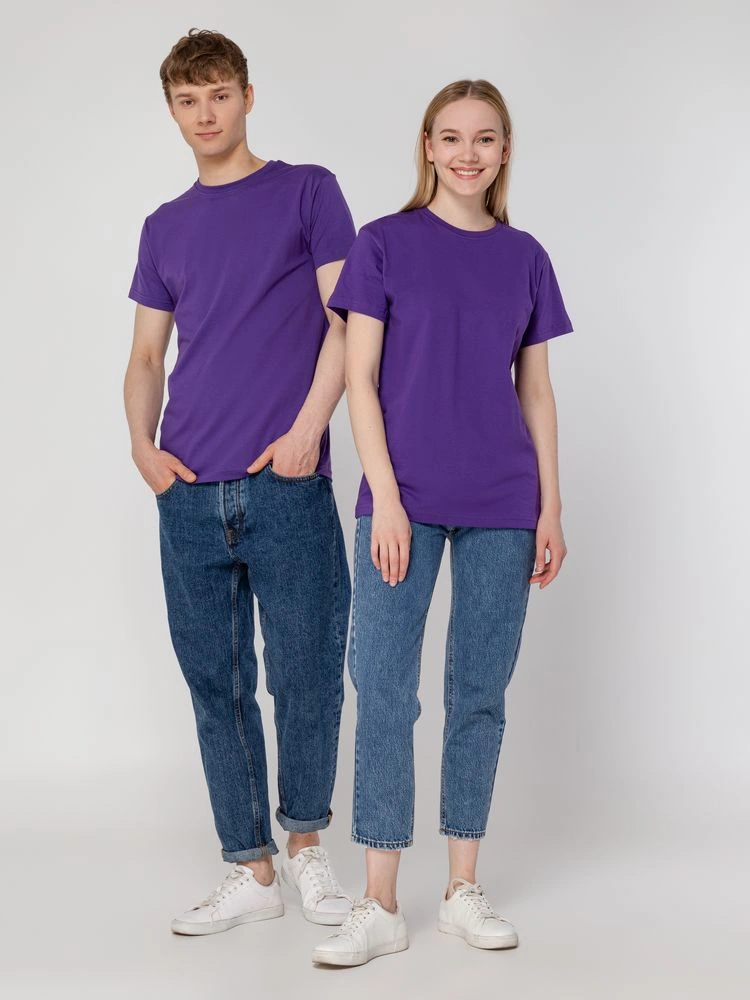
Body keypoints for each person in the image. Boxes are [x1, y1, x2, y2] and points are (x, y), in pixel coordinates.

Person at [312, 79, 574, 966]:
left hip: (504, 500)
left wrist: (551, 504)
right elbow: (359, 379)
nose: (468, 153)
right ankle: (380, 902)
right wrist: (385, 496)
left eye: (485, 138)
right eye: (451, 137)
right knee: (384, 688)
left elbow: (535, 389)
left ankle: (463, 888)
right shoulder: (383, 243)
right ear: (427, 146)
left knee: (479, 692)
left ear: (504, 151)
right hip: (404, 499)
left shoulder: (525, 255)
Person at [123, 28, 355, 935]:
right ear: (172, 110)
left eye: (219, 94)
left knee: (306, 676)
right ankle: (250, 868)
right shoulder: (163, 227)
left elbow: (349, 321)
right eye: (188, 100)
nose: (205, 114)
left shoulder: (308, 191)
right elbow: (148, 354)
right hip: (187, 490)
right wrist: (142, 447)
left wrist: (307, 431)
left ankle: (306, 849)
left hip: (285, 483)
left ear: (247, 96)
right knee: (214, 685)